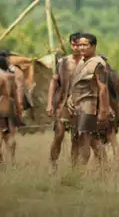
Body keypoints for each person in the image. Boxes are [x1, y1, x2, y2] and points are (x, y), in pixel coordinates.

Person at [64, 33, 110, 166]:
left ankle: (84, 169)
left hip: (89, 105)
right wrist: (70, 99)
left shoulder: (98, 63)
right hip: (77, 106)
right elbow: (76, 84)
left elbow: (103, 89)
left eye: (85, 45)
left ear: (93, 46)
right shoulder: (82, 62)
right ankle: (101, 168)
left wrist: (103, 111)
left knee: (86, 137)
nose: (81, 48)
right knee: (83, 139)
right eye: (79, 45)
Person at [47, 32, 83, 169]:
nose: (77, 48)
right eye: (74, 44)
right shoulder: (63, 62)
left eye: (79, 45)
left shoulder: (88, 62)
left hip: (81, 103)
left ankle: (74, 168)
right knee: (59, 134)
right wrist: (49, 103)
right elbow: (54, 83)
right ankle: (53, 161)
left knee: (77, 137)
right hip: (63, 103)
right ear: (70, 45)